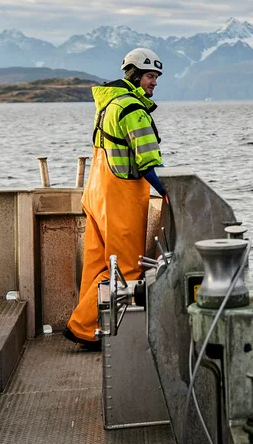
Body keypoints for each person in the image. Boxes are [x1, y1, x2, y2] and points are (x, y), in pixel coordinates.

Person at [64, 48, 166, 351]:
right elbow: (147, 162)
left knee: (97, 265)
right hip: (120, 196)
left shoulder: (108, 105)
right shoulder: (133, 109)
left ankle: (93, 330)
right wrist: (167, 191)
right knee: (126, 267)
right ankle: (82, 325)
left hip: (96, 193)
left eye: (157, 77)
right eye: (150, 76)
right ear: (134, 74)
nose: (155, 82)